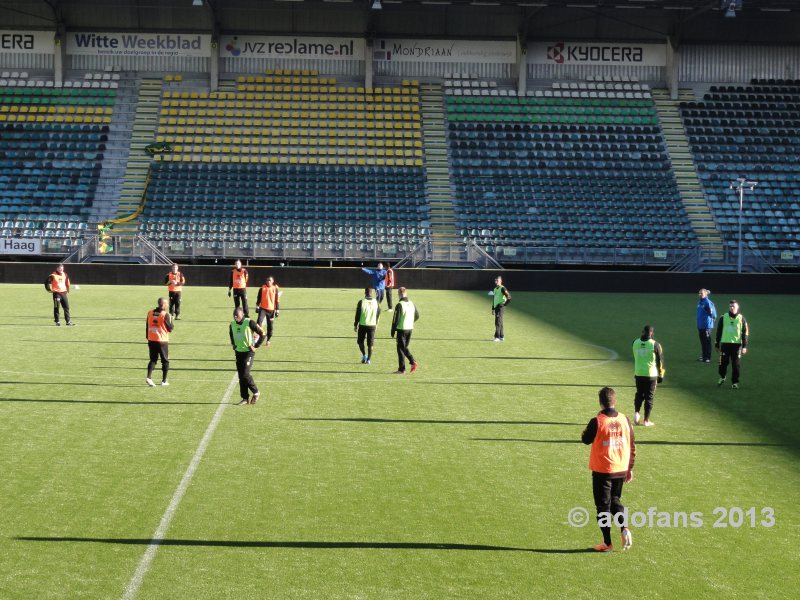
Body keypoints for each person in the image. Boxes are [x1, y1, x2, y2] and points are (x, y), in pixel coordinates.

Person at [581, 386, 636, 552]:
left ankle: (607, 543)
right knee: (615, 500)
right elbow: (632, 444)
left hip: (602, 470)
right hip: (620, 468)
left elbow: (585, 439)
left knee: (603, 507)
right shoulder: (625, 419)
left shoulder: (597, 421)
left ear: (600, 403)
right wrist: (629, 468)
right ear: (615, 401)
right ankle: (624, 528)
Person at [230, 306, 266, 405]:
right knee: (241, 376)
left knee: (245, 374)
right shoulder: (232, 324)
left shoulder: (249, 322)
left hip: (248, 352)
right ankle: (245, 398)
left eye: (237, 316)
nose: (236, 318)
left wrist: (256, 345)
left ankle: (256, 392)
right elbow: (231, 334)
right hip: (238, 352)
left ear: (242, 315)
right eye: (234, 316)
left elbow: (262, 333)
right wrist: (234, 344)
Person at [632, 325, 665, 427]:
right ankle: (646, 420)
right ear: (652, 333)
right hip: (651, 375)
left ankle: (637, 414)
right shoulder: (655, 344)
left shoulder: (635, 342)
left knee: (639, 394)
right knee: (649, 397)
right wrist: (661, 375)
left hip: (638, 373)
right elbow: (660, 361)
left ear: (642, 332)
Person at [716, 299, 749, 389]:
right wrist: (717, 343)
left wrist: (744, 346)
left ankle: (735, 383)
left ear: (737, 307)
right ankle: (722, 376)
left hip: (737, 345)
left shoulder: (742, 319)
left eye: (733, 306)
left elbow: (745, 333)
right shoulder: (723, 317)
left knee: (736, 365)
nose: (731, 308)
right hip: (725, 345)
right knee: (722, 364)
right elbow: (719, 331)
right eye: (730, 306)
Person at [146, 297, 174, 387]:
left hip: (151, 339)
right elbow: (170, 328)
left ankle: (149, 378)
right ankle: (164, 381)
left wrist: (148, 337)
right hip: (162, 341)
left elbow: (147, 325)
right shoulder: (165, 314)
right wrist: (171, 320)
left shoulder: (150, 312)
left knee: (153, 359)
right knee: (165, 361)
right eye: (167, 303)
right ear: (164, 305)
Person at [390, 286, 419, 374]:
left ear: (399, 294)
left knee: (401, 348)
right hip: (410, 328)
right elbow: (417, 316)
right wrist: (410, 321)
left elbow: (396, 319)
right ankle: (403, 368)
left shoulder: (400, 305)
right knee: (403, 348)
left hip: (402, 329)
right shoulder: (411, 303)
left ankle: (410, 363)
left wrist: (393, 330)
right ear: (406, 293)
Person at [354, 287, 381, 364]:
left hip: (362, 325)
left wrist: (355, 325)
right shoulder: (376, 302)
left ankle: (364, 355)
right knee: (370, 344)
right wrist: (376, 323)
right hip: (372, 325)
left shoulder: (361, 302)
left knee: (360, 342)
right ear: (371, 293)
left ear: (365, 293)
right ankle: (368, 359)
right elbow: (379, 313)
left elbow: (357, 315)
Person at [256, 275, 280, 347]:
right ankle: (259, 335)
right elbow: (259, 298)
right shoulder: (262, 288)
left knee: (270, 326)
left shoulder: (275, 289)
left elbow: (277, 300)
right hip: (263, 309)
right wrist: (257, 306)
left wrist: (277, 310)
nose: (268, 281)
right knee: (259, 322)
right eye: (267, 280)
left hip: (271, 310)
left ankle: (268, 340)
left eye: (270, 280)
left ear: (272, 281)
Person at [696, 288, 717, 363]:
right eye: (699, 293)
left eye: (701, 293)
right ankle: (704, 356)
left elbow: (714, 314)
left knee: (707, 342)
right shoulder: (700, 302)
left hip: (706, 326)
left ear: (706, 294)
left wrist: (711, 322)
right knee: (703, 342)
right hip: (700, 326)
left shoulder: (707, 302)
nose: (700, 294)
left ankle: (707, 357)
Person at [491, 275, 511, 342]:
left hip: (500, 307)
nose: (496, 281)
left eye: (497, 280)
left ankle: (497, 337)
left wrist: (504, 305)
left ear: (501, 281)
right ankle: (502, 336)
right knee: (500, 321)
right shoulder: (495, 289)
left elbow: (509, 296)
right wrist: (493, 308)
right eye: (495, 280)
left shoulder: (503, 288)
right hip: (496, 307)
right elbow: (494, 299)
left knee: (497, 322)